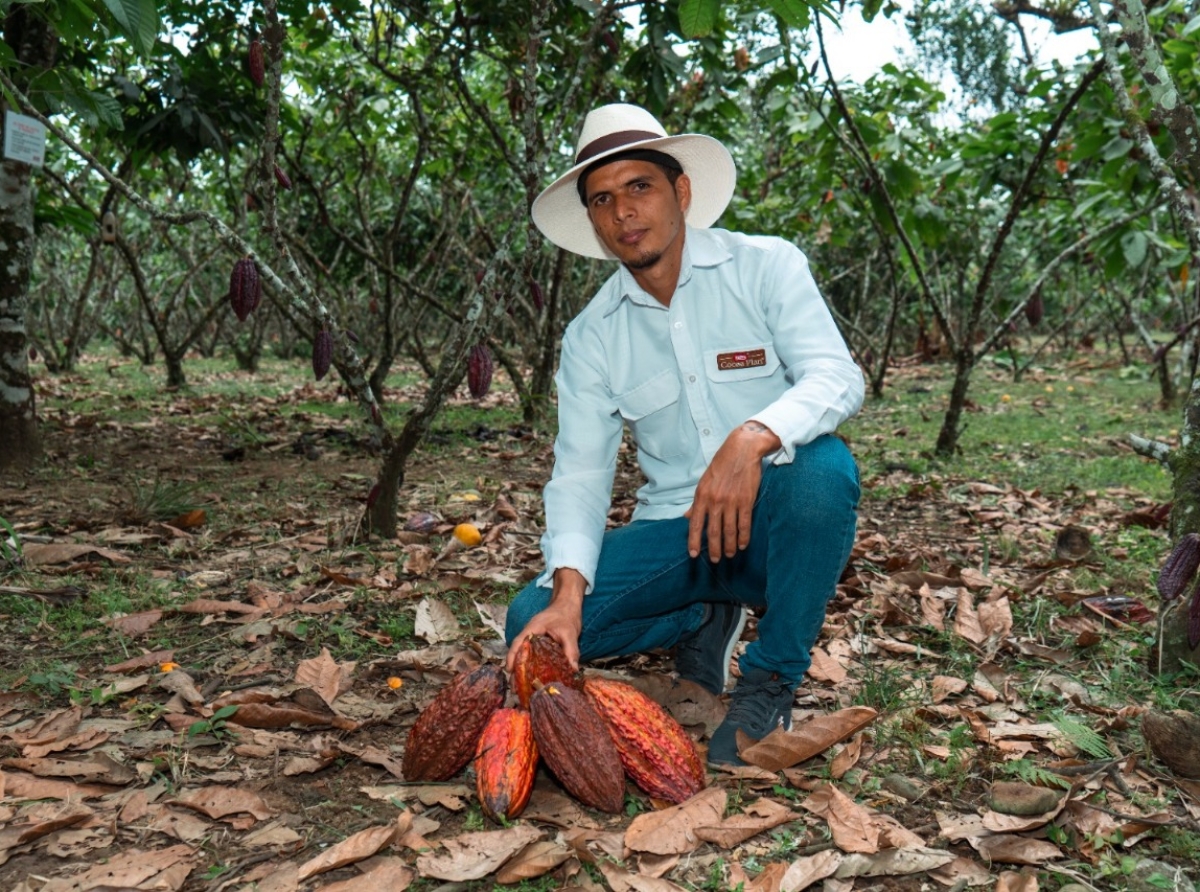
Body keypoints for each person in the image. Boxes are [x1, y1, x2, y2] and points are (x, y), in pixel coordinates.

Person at [504, 103, 863, 766]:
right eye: (603, 199)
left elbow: (837, 378)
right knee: (527, 622)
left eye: (639, 186)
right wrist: (565, 596)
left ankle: (771, 678)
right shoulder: (592, 335)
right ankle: (702, 616)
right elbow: (581, 474)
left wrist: (754, 435)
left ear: (682, 192)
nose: (623, 212)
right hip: (680, 539)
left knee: (823, 473)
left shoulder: (765, 267)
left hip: (774, 527)